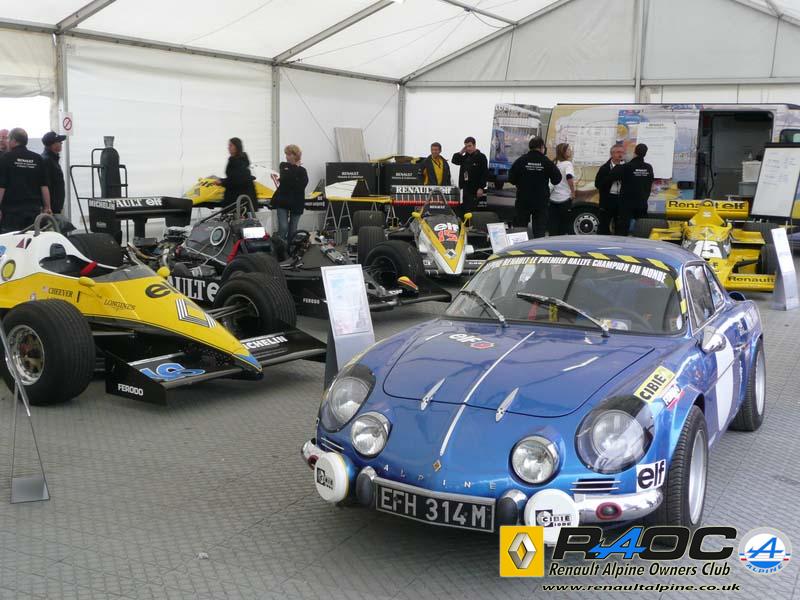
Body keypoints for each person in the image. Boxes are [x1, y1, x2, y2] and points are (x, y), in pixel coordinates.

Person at [508, 136, 561, 238]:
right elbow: (557, 179)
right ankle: (537, 246)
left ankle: (520, 246)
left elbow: (511, 179)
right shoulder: (546, 162)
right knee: (539, 230)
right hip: (541, 201)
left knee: (520, 229)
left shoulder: (521, 160)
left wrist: (521, 183)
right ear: (541, 147)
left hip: (523, 200)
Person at [0, 128, 52, 233]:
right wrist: (47, 207)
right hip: (33, 212)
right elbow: (44, 186)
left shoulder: (6, 158)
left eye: (8, 139)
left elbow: (1, 186)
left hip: (12, 213)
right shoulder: (37, 158)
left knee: (13, 241)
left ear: (14, 141)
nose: (7, 142)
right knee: (32, 240)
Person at [608, 143, 654, 236]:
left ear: (635, 152)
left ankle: (622, 243)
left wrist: (619, 163)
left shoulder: (627, 166)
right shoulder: (648, 167)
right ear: (645, 154)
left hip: (626, 203)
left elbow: (611, 176)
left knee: (623, 228)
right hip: (642, 202)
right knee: (643, 227)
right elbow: (650, 182)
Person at [272, 144, 308, 243]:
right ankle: (279, 247)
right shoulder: (283, 166)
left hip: (297, 202)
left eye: (289, 154)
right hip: (283, 201)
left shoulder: (303, 171)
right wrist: (295, 168)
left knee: (293, 230)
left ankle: (290, 249)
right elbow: (285, 179)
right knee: (283, 227)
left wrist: (292, 178)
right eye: (286, 154)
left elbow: (301, 186)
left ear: (295, 155)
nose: (286, 156)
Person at [451, 137, 488, 218]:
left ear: (474, 145)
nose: (468, 148)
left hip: (474, 189)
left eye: (470, 146)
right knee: (462, 210)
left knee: (471, 211)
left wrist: (481, 188)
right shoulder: (465, 157)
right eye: (466, 146)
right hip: (464, 189)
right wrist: (461, 152)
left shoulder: (481, 157)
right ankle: (463, 224)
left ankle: (470, 224)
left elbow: (484, 173)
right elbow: (454, 160)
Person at [217, 137, 256, 208]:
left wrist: (222, 182)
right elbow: (234, 177)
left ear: (237, 147)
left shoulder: (238, 161)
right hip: (238, 198)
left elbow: (237, 180)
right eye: (228, 145)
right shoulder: (237, 160)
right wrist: (222, 180)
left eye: (231, 145)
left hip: (238, 199)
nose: (228, 148)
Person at [594, 144, 625, 234]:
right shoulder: (605, 168)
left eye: (622, 152)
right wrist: (612, 177)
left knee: (620, 225)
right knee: (604, 224)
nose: (620, 154)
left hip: (621, 199)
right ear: (612, 154)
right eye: (618, 152)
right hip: (608, 199)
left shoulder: (626, 167)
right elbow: (598, 184)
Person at [548, 143, 576, 236]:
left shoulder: (554, 163)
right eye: (568, 150)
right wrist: (573, 192)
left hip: (552, 198)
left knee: (553, 224)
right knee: (564, 224)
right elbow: (569, 177)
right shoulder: (568, 164)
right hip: (564, 198)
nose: (570, 151)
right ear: (563, 152)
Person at [41, 131, 67, 215]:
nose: (61, 143)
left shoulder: (52, 159)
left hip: (55, 206)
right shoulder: (47, 161)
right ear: (52, 145)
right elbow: (45, 185)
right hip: (51, 208)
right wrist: (47, 207)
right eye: (59, 141)